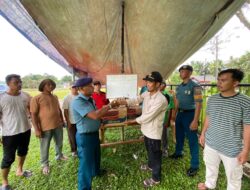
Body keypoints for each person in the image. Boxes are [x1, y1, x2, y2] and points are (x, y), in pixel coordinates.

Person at [198, 69, 250, 190]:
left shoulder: (245, 101)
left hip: (232, 147)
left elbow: (248, 127)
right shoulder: (212, 99)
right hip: (211, 143)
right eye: (218, 80)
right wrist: (203, 134)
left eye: (223, 80)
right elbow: (209, 118)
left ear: (235, 83)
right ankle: (209, 185)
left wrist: (246, 150)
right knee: (210, 167)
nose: (219, 83)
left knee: (233, 177)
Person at [116, 71, 167, 187]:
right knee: (149, 150)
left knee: (155, 154)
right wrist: (122, 101)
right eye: (147, 81)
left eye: (151, 82)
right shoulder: (147, 94)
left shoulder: (161, 99)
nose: (148, 84)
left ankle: (156, 178)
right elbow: (136, 99)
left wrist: (132, 121)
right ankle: (150, 166)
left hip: (154, 132)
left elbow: (148, 116)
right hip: (146, 130)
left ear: (158, 84)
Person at [72, 77, 115, 190]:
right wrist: (110, 106)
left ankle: (96, 172)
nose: (93, 87)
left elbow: (97, 115)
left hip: (93, 134)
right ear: (81, 88)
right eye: (90, 86)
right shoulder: (78, 101)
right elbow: (95, 115)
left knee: (96, 156)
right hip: (84, 136)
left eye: (92, 85)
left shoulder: (90, 99)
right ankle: (84, 187)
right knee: (85, 163)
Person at [0, 74, 32, 190]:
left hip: (25, 130)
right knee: (8, 158)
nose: (19, 84)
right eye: (16, 83)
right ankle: (4, 183)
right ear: (8, 84)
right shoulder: (1, 98)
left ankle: (19, 170)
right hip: (9, 134)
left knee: (23, 151)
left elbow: (31, 108)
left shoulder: (25, 96)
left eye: (20, 82)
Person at [170, 65, 202, 177]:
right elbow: (177, 102)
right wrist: (174, 115)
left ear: (190, 73)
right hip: (180, 114)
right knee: (179, 136)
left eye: (184, 71)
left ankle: (195, 165)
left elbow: (199, 103)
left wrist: (195, 120)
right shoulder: (178, 87)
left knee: (192, 140)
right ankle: (178, 152)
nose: (182, 73)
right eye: (181, 71)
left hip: (190, 115)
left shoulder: (196, 86)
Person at [30, 79, 67, 175]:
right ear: (43, 86)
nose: (51, 86)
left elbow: (58, 109)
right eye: (48, 85)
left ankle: (59, 155)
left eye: (52, 85)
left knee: (59, 142)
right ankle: (45, 164)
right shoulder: (36, 98)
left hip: (57, 124)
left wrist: (62, 120)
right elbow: (33, 114)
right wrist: (36, 129)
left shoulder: (55, 96)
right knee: (44, 146)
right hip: (44, 127)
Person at [62, 83, 78, 157]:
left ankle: (80, 148)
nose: (75, 88)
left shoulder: (80, 96)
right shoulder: (67, 98)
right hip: (71, 121)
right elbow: (65, 111)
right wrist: (68, 121)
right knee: (72, 136)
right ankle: (74, 150)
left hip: (80, 120)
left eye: (76, 87)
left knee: (80, 135)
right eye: (73, 87)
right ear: (70, 88)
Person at [160, 82, 175, 157]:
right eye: (160, 84)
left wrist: (168, 120)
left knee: (164, 134)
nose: (161, 85)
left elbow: (170, 108)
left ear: (165, 86)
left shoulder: (168, 95)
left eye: (162, 84)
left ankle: (165, 149)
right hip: (156, 119)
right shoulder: (155, 94)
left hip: (164, 118)